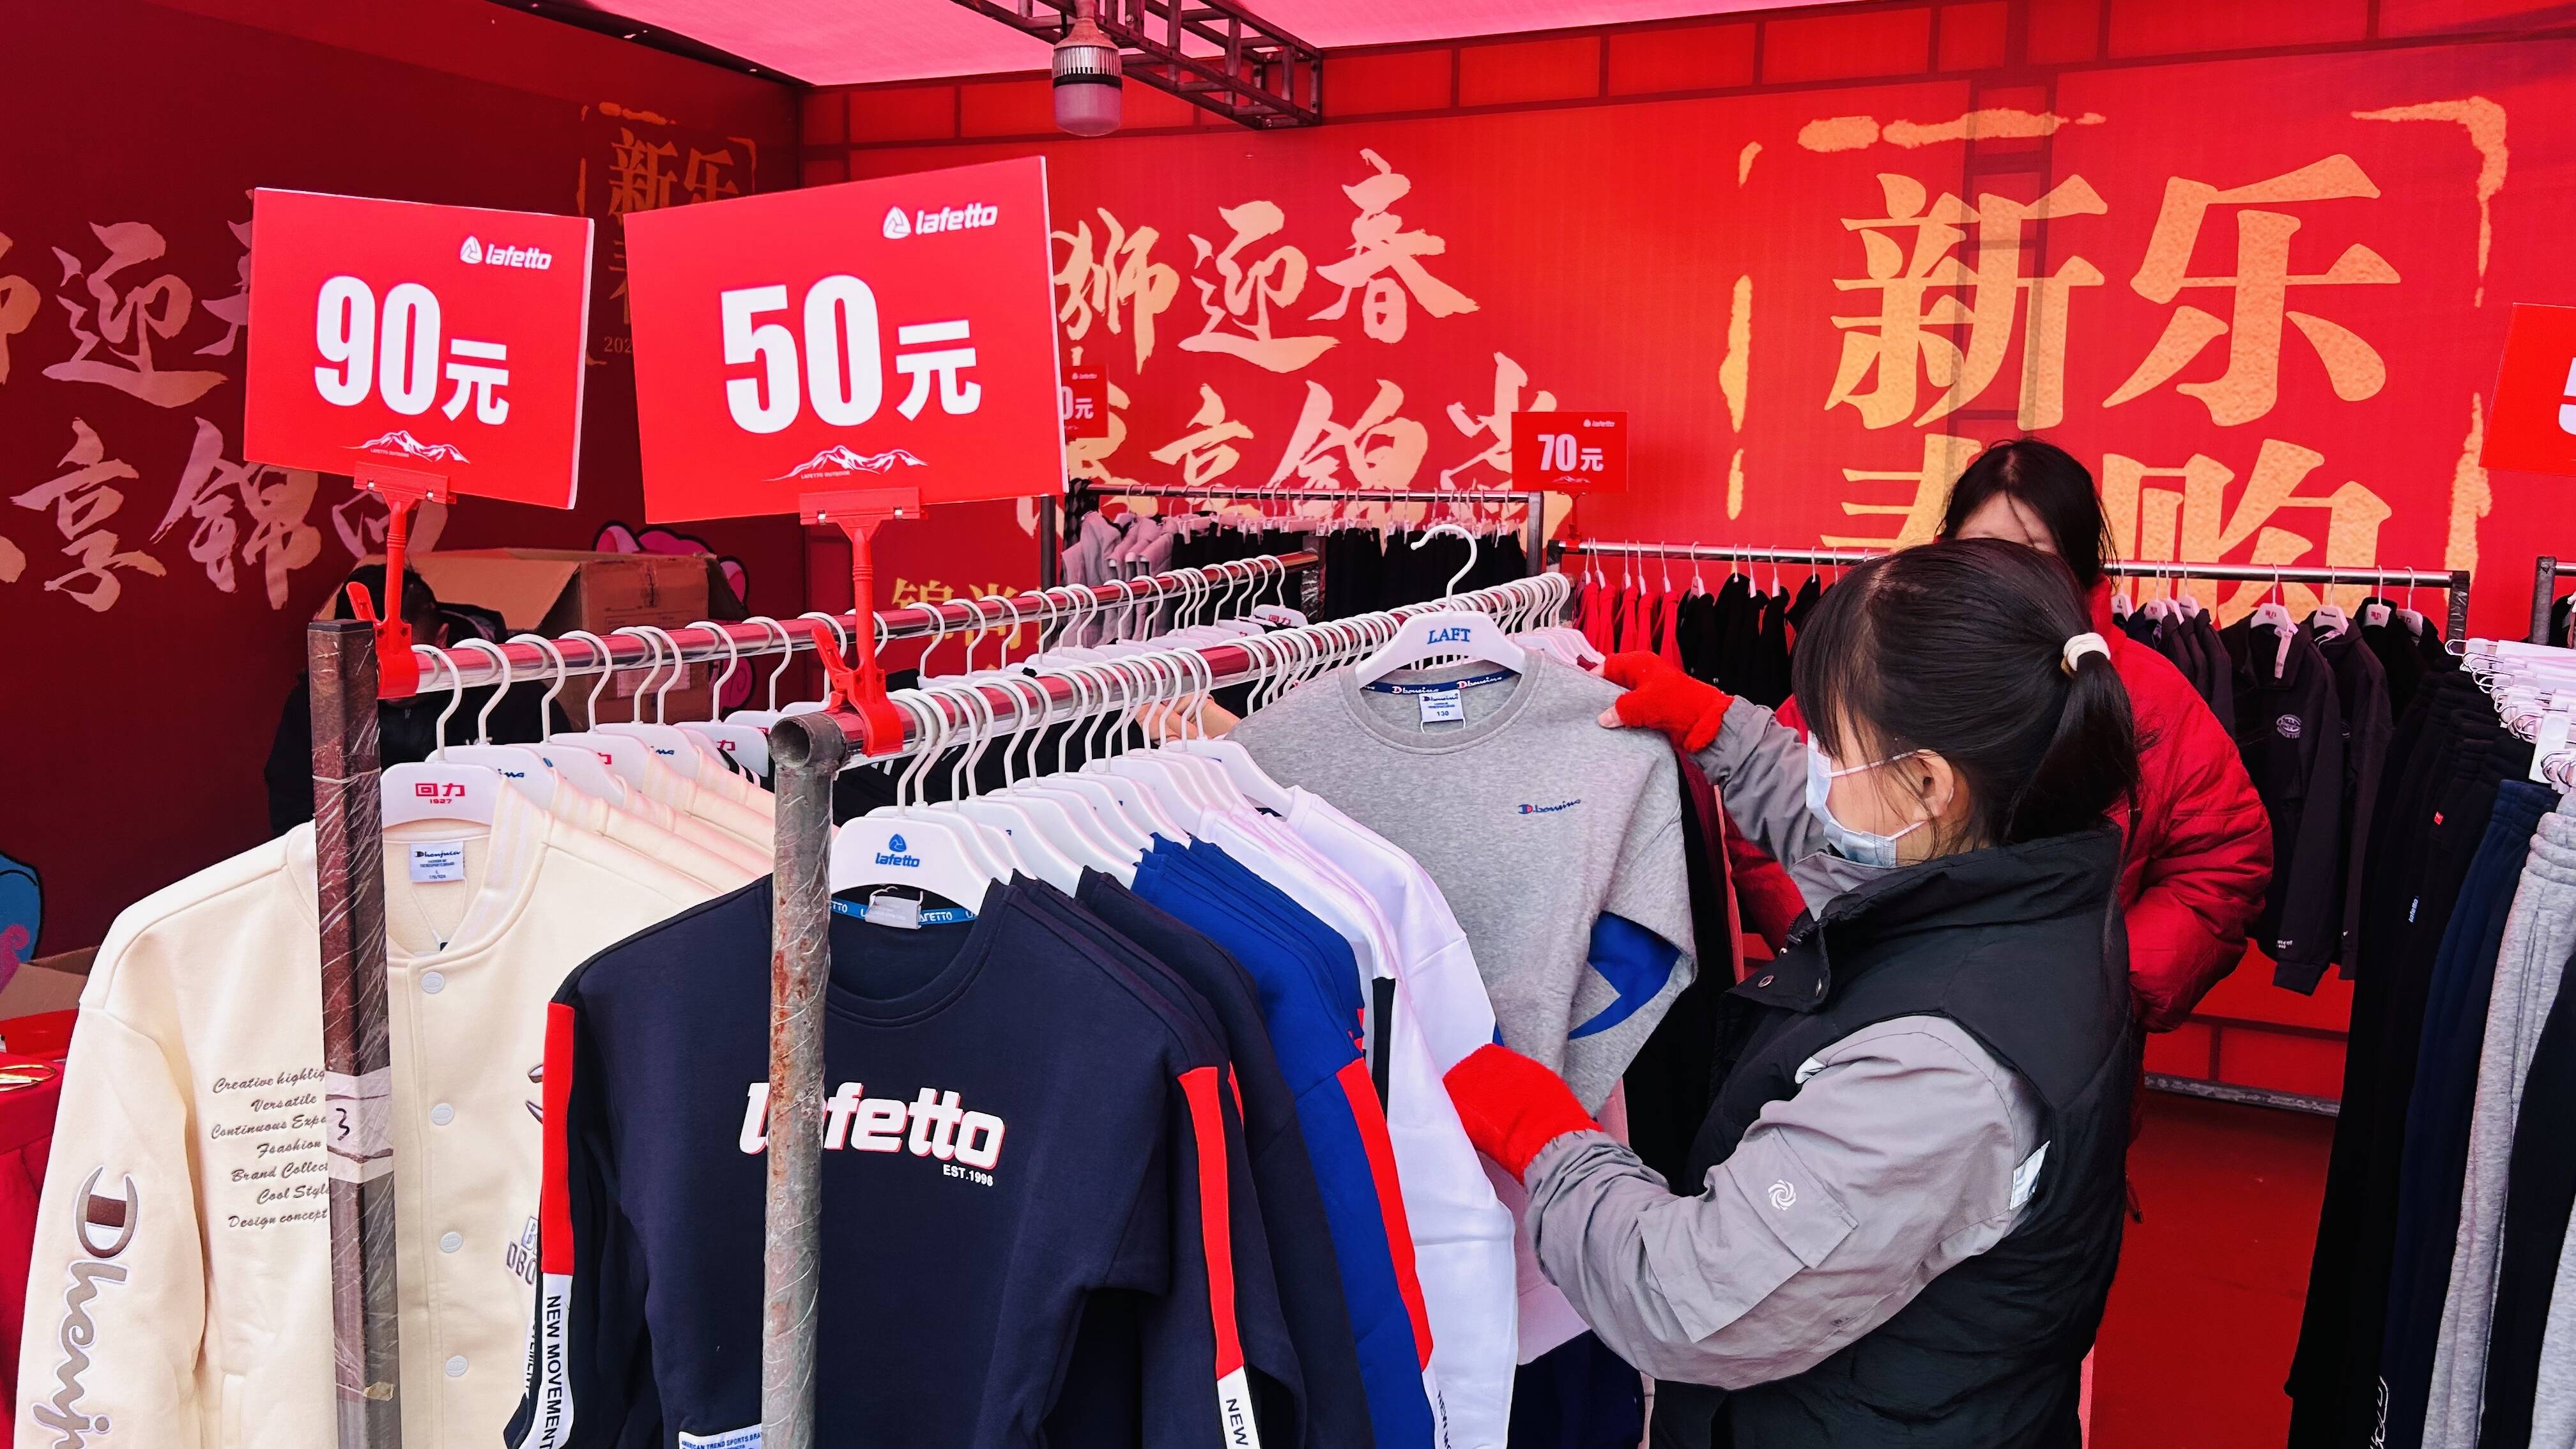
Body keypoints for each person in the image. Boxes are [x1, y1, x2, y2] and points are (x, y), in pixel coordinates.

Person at [1444, 539, 2143, 1447]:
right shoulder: (2041, 876)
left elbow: (1687, 1297)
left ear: (1930, 782)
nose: (1814, 762)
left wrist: (1549, 1142)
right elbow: (1860, 853)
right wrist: (1725, 735)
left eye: (1830, 745)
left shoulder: (1937, 1073)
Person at [1717, 437, 2271, 1030]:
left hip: (2059, 1027)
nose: (2004, 572)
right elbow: (1772, 818)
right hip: (1862, 1004)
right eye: (1983, 548)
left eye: (2035, 554)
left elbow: (2223, 861)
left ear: (2080, 567)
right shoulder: (1873, 662)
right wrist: (1834, 949)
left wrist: (2105, 984)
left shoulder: (2149, 694)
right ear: (1945, 548)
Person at [263, 564, 546, 832]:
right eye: (368, 661)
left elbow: (548, 811)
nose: (386, 674)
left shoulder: (512, 697)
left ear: (441, 638)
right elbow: (293, 815)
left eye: (404, 657)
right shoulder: (318, 706)